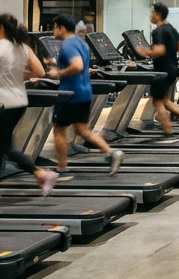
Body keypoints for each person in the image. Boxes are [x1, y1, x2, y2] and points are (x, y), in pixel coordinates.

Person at [0, 14, 58, 194]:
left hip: (2, 103)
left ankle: (40, 173)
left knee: (6, 147)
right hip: (20, 101)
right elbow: (40, 72)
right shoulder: (23, 47)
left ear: (1, 27)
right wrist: (20, 75)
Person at [47, 14, 123, 175]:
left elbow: (77, 65)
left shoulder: (67, 44)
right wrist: (55, 63)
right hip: (84, 93)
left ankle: (61, 167)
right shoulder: (81, 43)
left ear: (61, 27)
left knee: (59, 129)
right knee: (82, 131)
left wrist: (57, 73)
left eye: (54, 27)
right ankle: (111, 153)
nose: (53, 31)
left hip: (69, 94)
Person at [134, 3, 179, 134]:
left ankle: (168, 131)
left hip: (163, 69)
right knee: (163, 99)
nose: (150, 16)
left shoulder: (158, 31)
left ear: (157, 14)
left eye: (152, 13)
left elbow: (160, 50)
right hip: (172, 67)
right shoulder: (171, 28)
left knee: (157, 102)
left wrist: (145, 52)